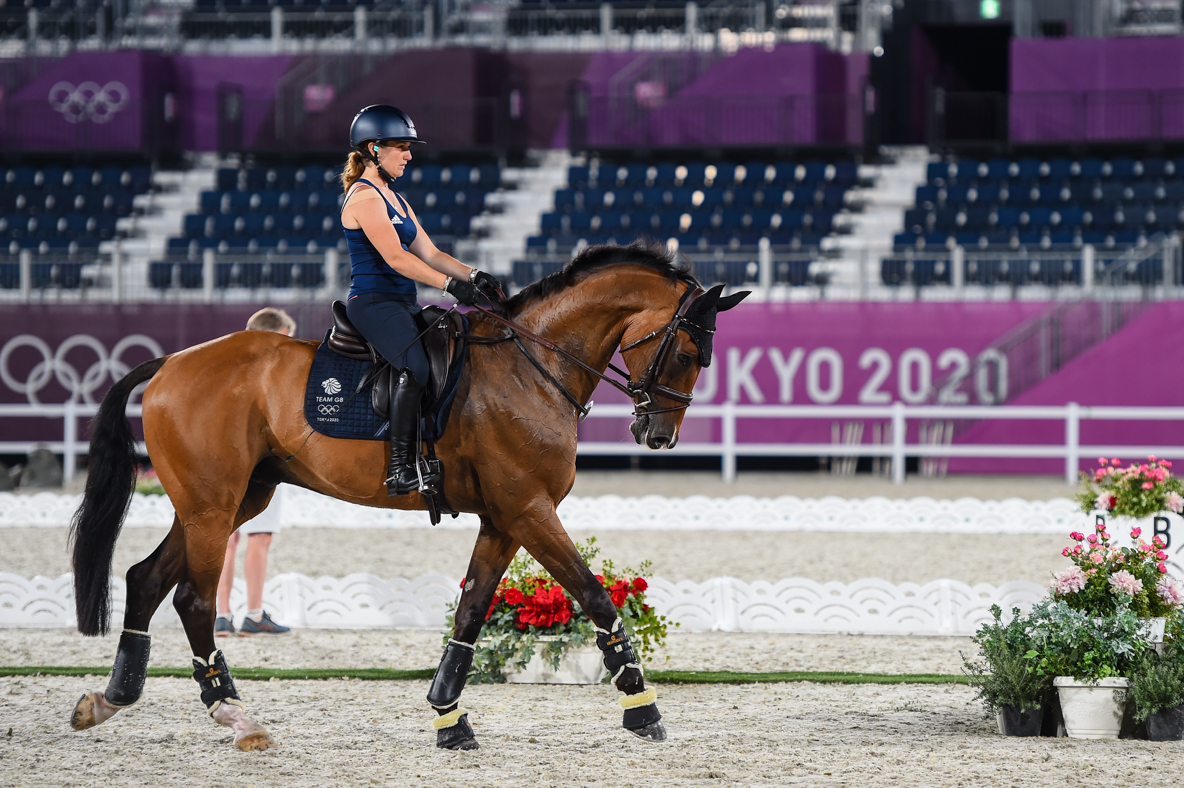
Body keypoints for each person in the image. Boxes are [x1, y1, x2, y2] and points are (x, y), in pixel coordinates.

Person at [339, 104, 501, 496]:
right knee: (414, 365)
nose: (409, 155)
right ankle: (399, 469)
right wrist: (450, 286)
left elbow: (430, 253)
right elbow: (396, 257)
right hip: (374, 302)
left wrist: (473, 274)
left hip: (402, 302)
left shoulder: (394, 198)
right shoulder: (364, 198)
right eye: (402, 147)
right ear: (374, 149)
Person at [214, 307, 297, 637]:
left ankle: (221, 615)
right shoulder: (276, 369)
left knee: (226, 538)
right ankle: (254, 613)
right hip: (261, 460)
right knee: (258, 538)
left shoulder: (223, 364)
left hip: (224, 457)